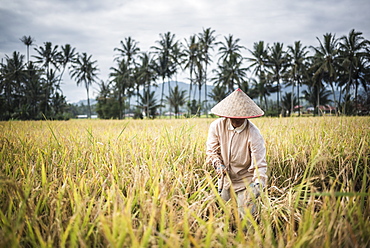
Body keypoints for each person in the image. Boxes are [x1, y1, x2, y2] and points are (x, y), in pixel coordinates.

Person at [206, 88, 267, 218]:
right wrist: (217, 164)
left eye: (241, 117)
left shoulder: (254, 134)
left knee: (246, 219)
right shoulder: (216, 126)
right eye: (233, 117)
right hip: (225, 180)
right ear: (227, 115)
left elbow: (259, 164)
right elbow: (212, 151)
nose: (237, 120)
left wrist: (257, 185)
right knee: (223, 216)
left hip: (246, 183)